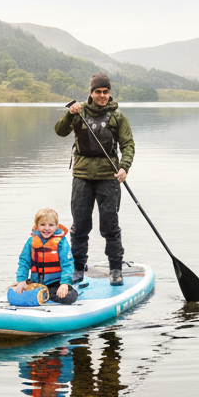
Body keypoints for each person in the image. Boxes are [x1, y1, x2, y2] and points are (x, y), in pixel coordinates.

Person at [54, 72, 134, 286]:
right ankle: (78, 267)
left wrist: (124, 167)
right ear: (90, 93)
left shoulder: (118, 117)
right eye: (97, 92)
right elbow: (60, 131)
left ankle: (115, 268)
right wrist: (70, 115)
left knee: (110, 225)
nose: (102, 95)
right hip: (81, 176)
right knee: (80, 225)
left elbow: (128, 145)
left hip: (109, 176)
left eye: (105, 92)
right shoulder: (78, 112)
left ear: (109, 93)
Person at [12, 207, 78, 304]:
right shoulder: (31, 242)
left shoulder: (61, 243)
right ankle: (36, 290)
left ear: (56, 226)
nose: (46, 228)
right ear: (37, 226)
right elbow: (24, 262)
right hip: (36, 282)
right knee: (18, 290)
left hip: (55, 283)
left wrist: (64, 283)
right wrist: (21, 280)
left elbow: (67, 264)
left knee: (71, 296)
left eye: (51, 225)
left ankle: (43, 294)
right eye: (42, 225)